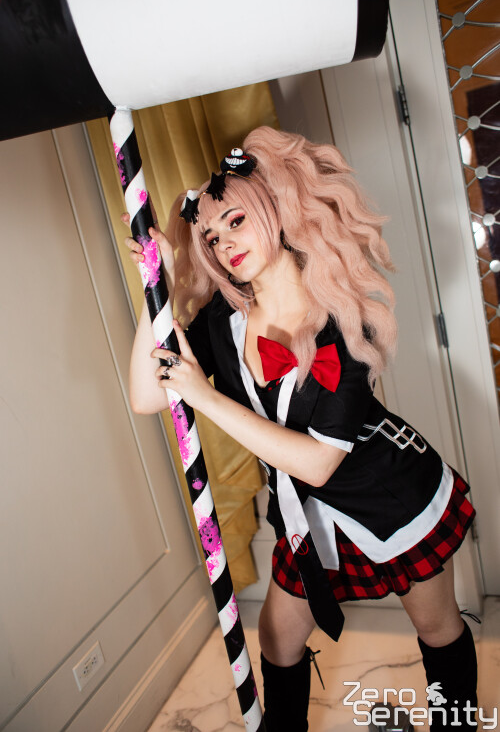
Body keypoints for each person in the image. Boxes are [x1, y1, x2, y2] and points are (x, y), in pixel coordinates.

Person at [125, 127, 477, 731]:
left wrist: (205, 397)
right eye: (210, 237)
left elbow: (318, 461)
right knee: (278, 638)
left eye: (236, 221)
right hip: (303, 514)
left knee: (436, 626)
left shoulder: (341, 314)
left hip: (387, 495)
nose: (224, 243)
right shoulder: (221, 321)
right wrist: (157, 287)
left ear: (275, 211)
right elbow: (145, 397)